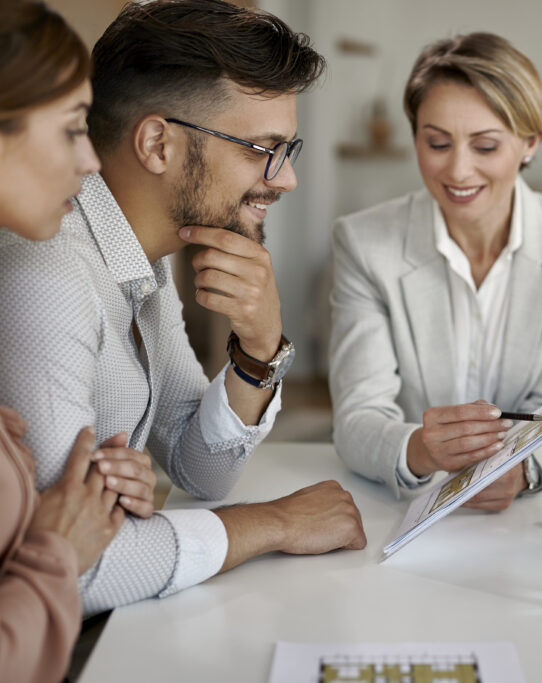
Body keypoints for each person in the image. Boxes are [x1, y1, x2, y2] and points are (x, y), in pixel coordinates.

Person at [0, 0, 366, 618]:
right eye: (261, 148)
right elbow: (76, 570)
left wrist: (260, 349)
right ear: (157, 143)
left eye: (288, 150)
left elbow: (200, 468)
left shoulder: (142, 256)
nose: (286, 179)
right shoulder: (49, 275)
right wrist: (274, 523)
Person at [329, 32, 542, 510]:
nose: (458, 171)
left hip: (521, 519)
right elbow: (357, 418)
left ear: (529, 143)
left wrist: (522, 469)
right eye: (437, 142)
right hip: (400, 505)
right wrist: (420, 450)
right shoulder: (363, 243)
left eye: (485, 146)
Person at [0, 3, 150, 681]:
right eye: (70, 130)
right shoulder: (43, 273)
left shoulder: (148, 271)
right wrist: (54, 553)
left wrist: (100, 498)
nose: (91, 162)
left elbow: (200, 460)